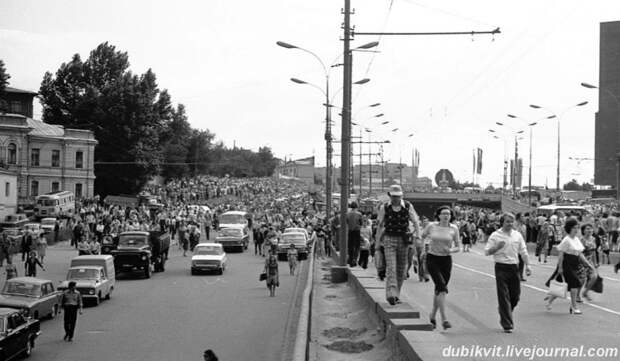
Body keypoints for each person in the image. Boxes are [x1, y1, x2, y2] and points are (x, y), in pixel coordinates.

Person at [485, 212, 532, 333]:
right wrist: (497, 247)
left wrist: (528, 265)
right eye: (507, 221)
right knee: (503, 296)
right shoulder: (495, 235)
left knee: (515, 296)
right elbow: (487, 252)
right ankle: (507, 324)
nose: (510, 224)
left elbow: (523, 251)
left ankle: (504, 310)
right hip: (501, 267)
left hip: (514, 267)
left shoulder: (517, 235)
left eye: (511, 222)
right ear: (502, 222)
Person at [375, 184, 421, 306]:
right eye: (394, 196)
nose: (396, 198)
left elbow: (415, 221)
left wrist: (418, 237)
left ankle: (397, 295)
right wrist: (377, 244)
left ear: (401, 195)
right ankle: (391, 294)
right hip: (389, 239)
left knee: (401, 269)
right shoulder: (384, 207)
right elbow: (380, 226)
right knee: (391, 267)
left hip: (404, 240)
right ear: (390, 195)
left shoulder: (407, 206)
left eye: (398, 196)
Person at [544, 217, 597, 314]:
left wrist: (588, 264)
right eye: (574, 228)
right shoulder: (566, 240)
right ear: (569, 228)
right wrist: (560, 267)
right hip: (566, 263)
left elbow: (580, 253)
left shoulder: (576, 239)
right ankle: (574, 306)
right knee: (575, 284)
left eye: (577, 227)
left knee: (562, 286)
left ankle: (549, 301)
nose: (576, 230)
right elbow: (561, 254)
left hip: (575, 263)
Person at [421, 205, 461, 330]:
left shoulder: (454, 228)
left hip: (446, 260)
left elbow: (458, 246)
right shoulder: (431, 226)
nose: (445, 216)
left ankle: (432, 315)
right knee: (442, 287)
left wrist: (451, 250)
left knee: (439, 290)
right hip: (432, 258)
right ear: (438, 215)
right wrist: (423, 250)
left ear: (451, 216)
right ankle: (444, 319)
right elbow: (422, 237)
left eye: (448, 214)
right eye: (443, 213)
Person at [346, 202, 363, 267]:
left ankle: (350, 259)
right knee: (357, 246)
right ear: (356, 207)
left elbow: (347, 221)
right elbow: (361, 223)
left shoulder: (347, 214)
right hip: (357, 231)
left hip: (350, 231)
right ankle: (355, 259)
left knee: (350, 245)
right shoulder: (359, 214)